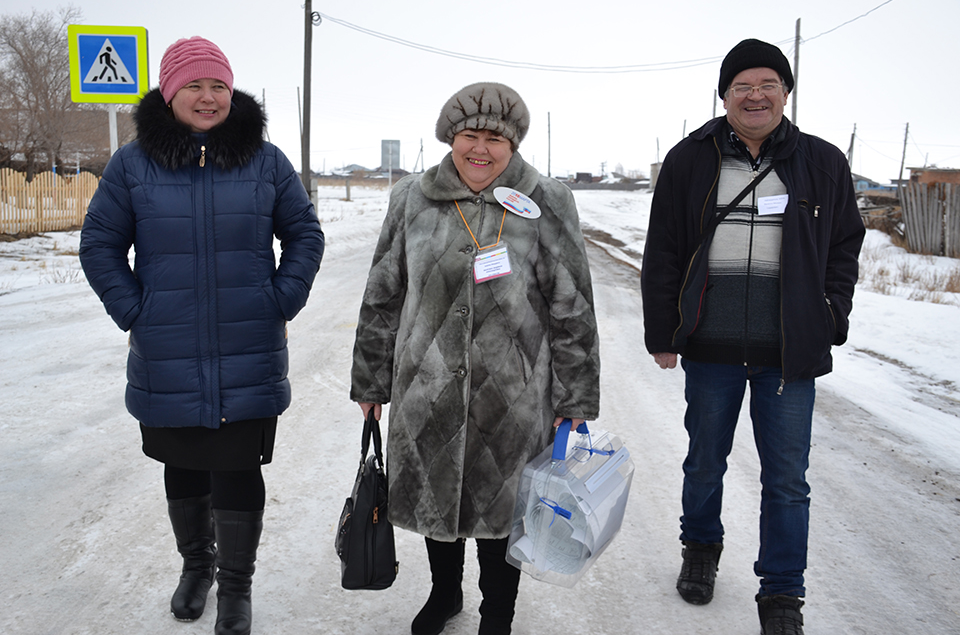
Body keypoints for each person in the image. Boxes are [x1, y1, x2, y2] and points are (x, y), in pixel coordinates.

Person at [79, 36, 324, 635]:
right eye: (193, 85)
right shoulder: (132, 163)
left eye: (217, 85)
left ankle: (236, 588)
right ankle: (197, 568)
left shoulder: (265, 161)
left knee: (238, 468)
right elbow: (100, 246)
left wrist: (281, 297)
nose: (207, 96)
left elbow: (304, 234)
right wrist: (137, 311)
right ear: (169, 93)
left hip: (248, 350)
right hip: (167, 351)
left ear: (231, 90)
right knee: (183, 464)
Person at [350, 82, 600, 635]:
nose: (480, 149)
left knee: (502, 508)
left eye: (495, 138)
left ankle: (498, 614)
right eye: (470, 136)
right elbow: (383, 294)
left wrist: (575, 396)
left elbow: (572, 306)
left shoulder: (547, 201)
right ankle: (444, 595)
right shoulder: (411, 198)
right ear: (450, 138)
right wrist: (371, 382)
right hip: (426, 384)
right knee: (437, 504)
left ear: (513, 145)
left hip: (512, 393)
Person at [640, 39, 864, 635]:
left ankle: (783, 592)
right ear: (724, 94)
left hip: (789, 353)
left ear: (786, 94)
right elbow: (662, 248)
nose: (755, 95)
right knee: (704, 462)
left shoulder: (821, 161)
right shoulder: (691, 159)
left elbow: (844, 245)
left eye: (768, 84)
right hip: (710, 348)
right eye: (742, 85)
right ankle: (701, 551)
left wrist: (830, 313)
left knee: (787, 478)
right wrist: (663, 331)